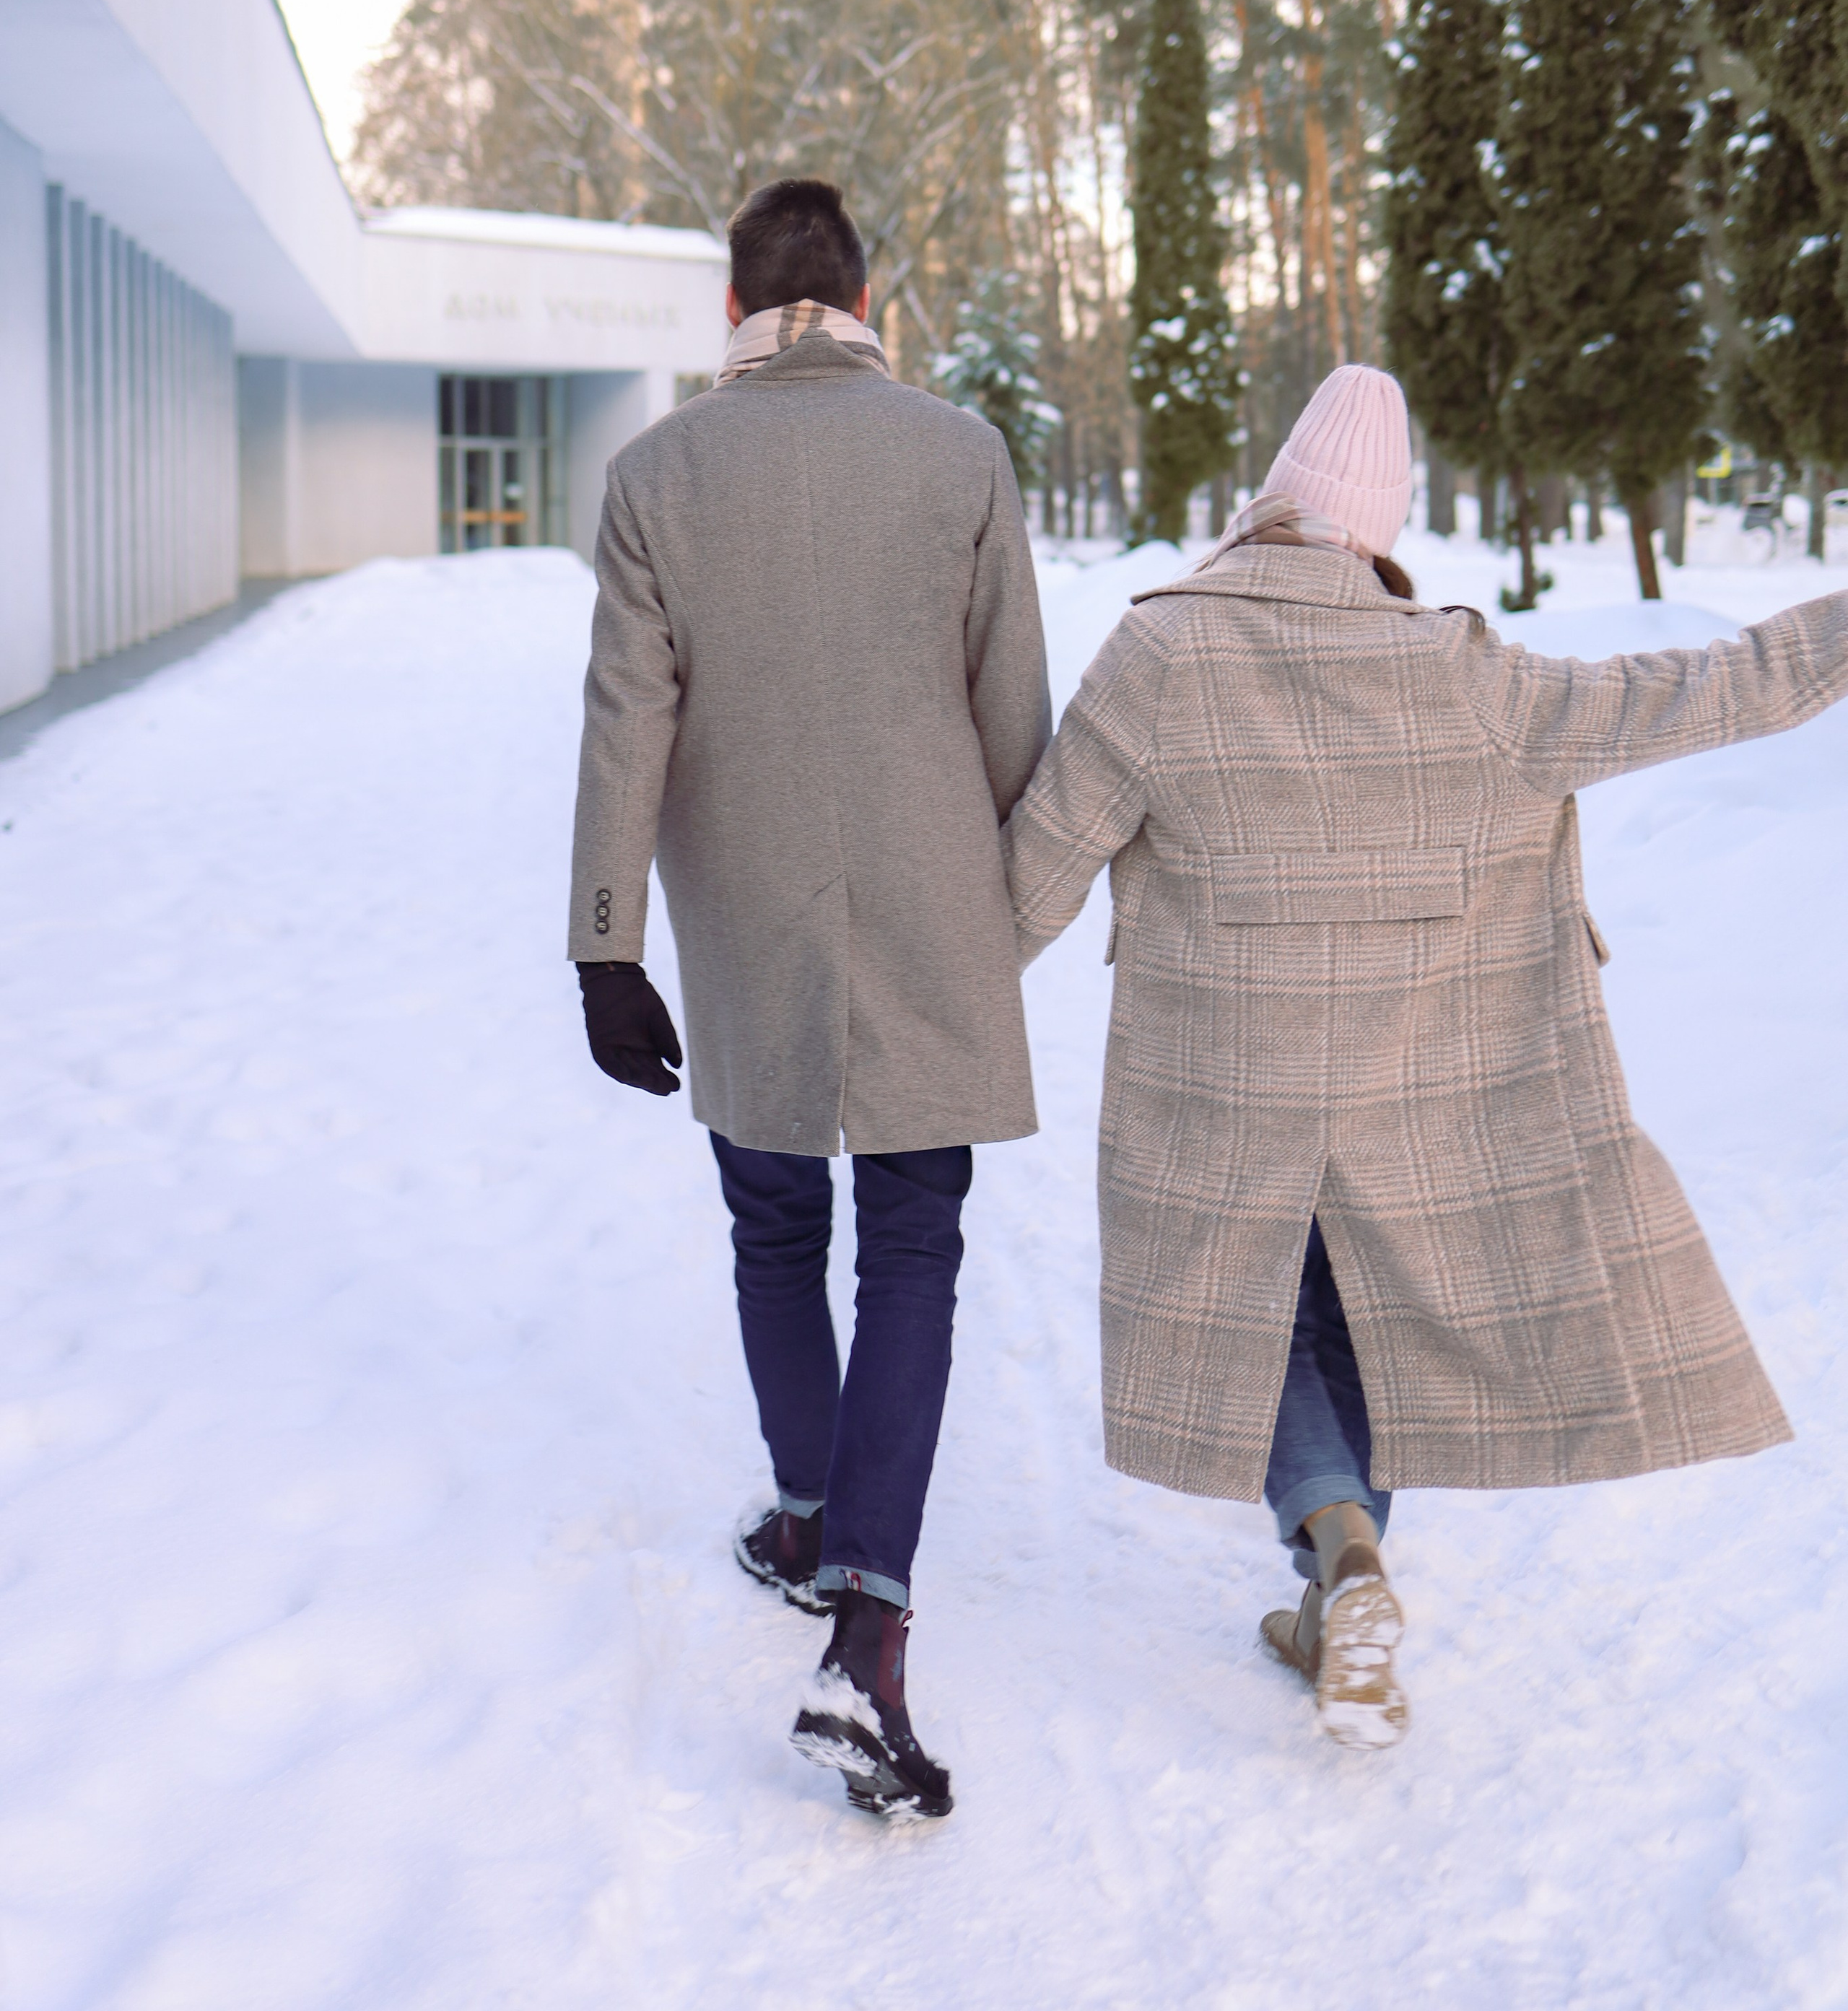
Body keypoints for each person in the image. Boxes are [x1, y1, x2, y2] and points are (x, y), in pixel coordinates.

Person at [1003, 363, 1848, 1750]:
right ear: (1380, 531)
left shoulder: (1160, 654)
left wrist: (881, 1030)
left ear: (1267, 502)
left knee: (1263, 1310)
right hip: (1413, 1082)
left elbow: (1026, 884)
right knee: (1359, 1311)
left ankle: (1339, 1553)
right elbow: (1715, 687)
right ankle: (1346, 1577)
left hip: (1221, 1082)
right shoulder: (1469, 678)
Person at [568, 177, 1050, 1820]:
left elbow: (627, 718)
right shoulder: (960, 450)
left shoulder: (654, 478)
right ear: (861, 297)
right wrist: (1013, 920)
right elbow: (1013, 721)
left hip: (744, 925)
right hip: (931, 911)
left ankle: (800, 1512)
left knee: (774, 1229)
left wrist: (603, 946)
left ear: (730, 312)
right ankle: (868, 1618)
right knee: (913, 1243)